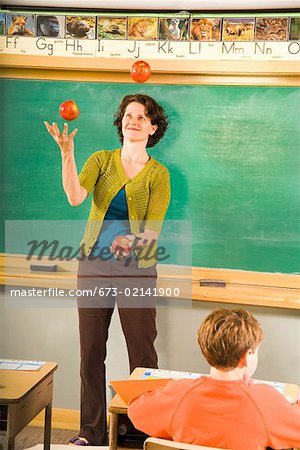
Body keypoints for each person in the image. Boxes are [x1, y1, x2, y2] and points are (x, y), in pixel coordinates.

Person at [44, 94, 171, 446]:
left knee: (142, 356)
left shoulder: (158, 175)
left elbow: (152, 231)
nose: (133, 120)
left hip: (137, 270)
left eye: (141, 117)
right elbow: (75, 196)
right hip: (94, 266)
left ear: (153, 127)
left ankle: (141, 432)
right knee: (90, 354)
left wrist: (132, 240)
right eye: (128, 115)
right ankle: (91, 433)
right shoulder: (102, 160)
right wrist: (67, 154)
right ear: (122, 123)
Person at [128, 308, 300, 450]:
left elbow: (135, 410)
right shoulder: (265, 401)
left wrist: (169, 390)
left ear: (206, 350)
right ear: (247, 357)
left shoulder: (179, 393)